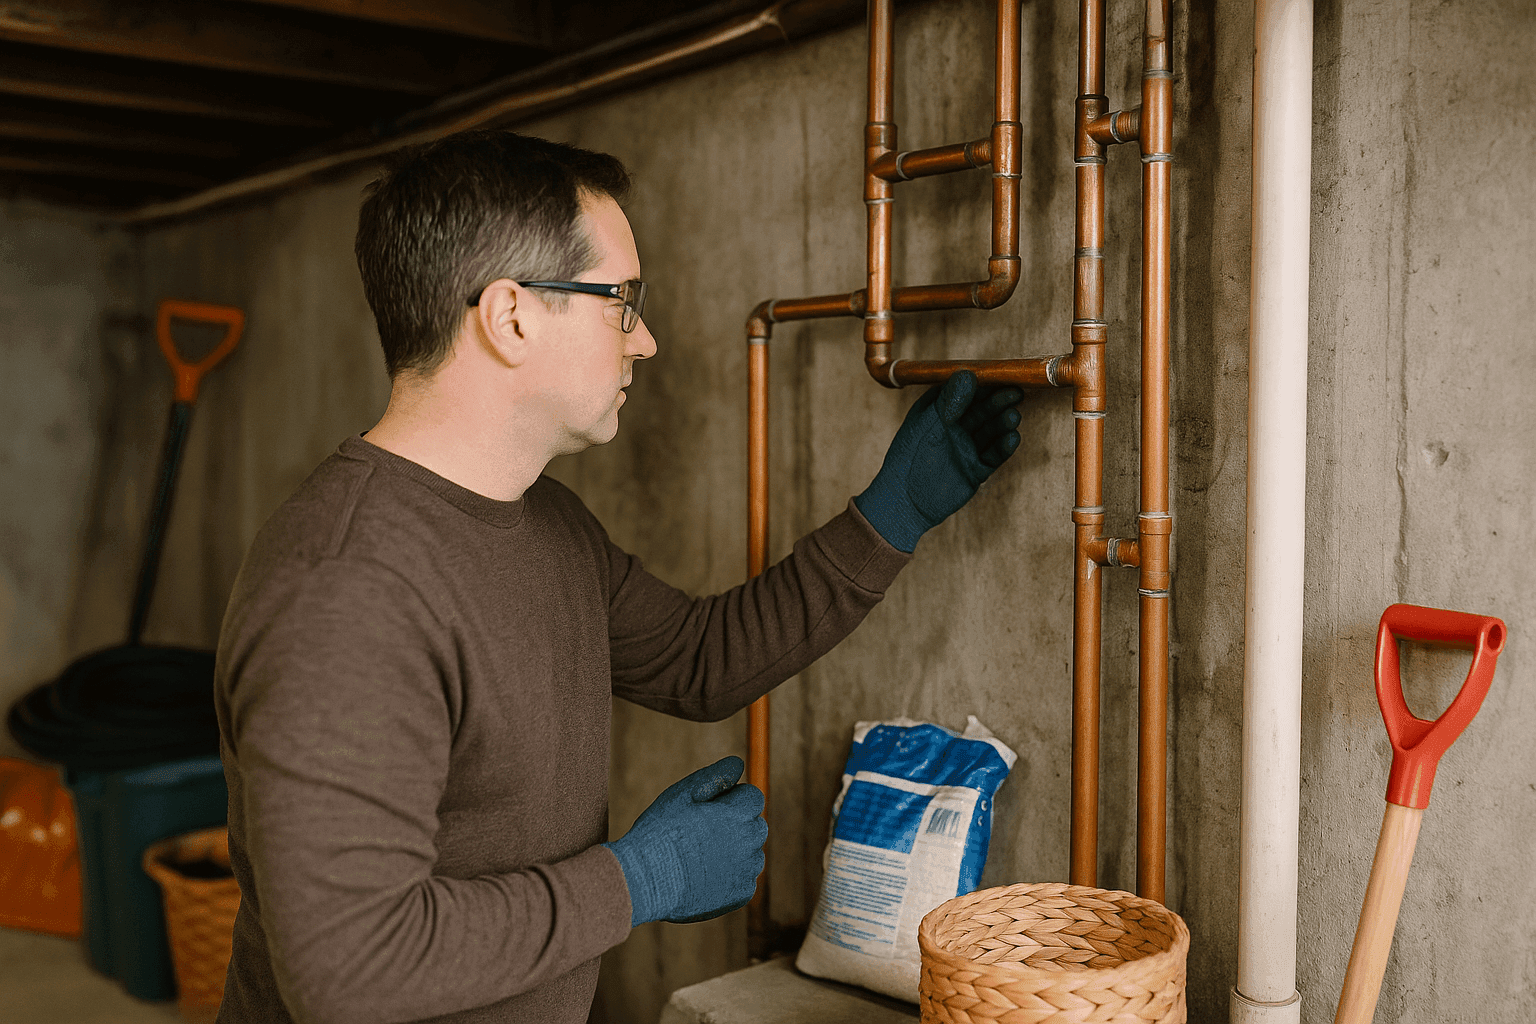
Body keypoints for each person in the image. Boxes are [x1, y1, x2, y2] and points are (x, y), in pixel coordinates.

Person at [213, 129, 1025, 1024]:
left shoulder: (548, 523)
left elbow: (697, 659)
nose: (645, 340)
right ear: (511, 316)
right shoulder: (349, 591)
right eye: (621, 301)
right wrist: (643, 877)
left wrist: (891, 516)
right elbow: (351, 969)